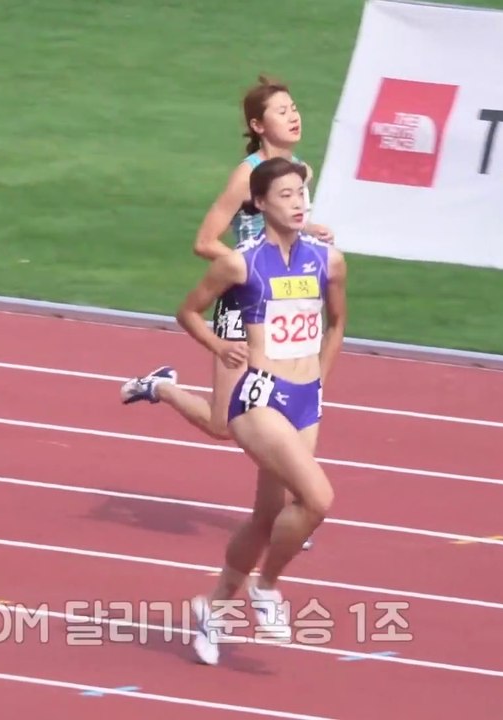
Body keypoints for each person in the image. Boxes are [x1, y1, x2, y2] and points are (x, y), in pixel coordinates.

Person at [120, 75, 332, 552]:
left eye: (294, 107)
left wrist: (312, 230)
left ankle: (293, 508)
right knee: (223, 425)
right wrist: (246, 266)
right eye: (281, 110)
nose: (294, 116)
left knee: (280, 407)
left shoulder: (301, 171)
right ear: (258, 125)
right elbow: (204, 241)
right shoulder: (247, 175)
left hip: (282, 306)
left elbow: (288, 228)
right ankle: (163, 387)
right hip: (242, 303)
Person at [173, 157, 346, 665]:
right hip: (259, 395)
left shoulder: (328, 261)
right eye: (286, 195)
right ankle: (266, 587)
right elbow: (187, 311)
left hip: (304, 398)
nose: (298, 203)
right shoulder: (240, 262)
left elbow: (337, 325)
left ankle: (213, 606)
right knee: (318, 498)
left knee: (268, 516)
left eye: (301, 194)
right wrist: (217, 346)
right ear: (261, 203)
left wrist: (319, 383)